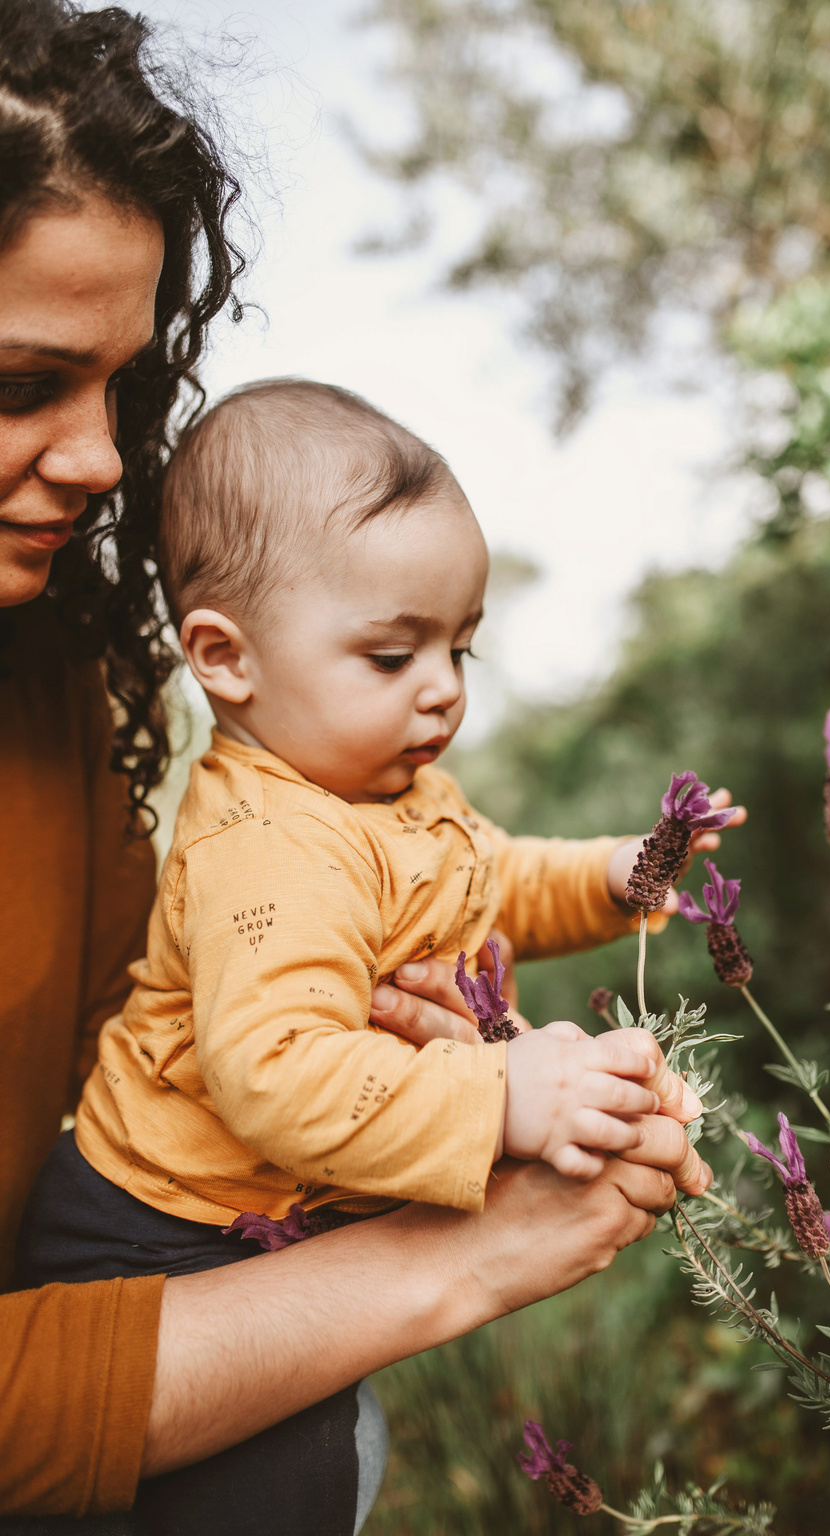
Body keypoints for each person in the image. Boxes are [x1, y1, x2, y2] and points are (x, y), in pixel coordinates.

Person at [0, 1, 719, 1528]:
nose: (106, 460)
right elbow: (263, 1073)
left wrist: (624, 879)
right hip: (143, 1255)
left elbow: (478, 885)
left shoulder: (75, 675)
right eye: (21, 386)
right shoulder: (272, 828)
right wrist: (486, 1146)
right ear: (230, 658)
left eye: (124, 392)